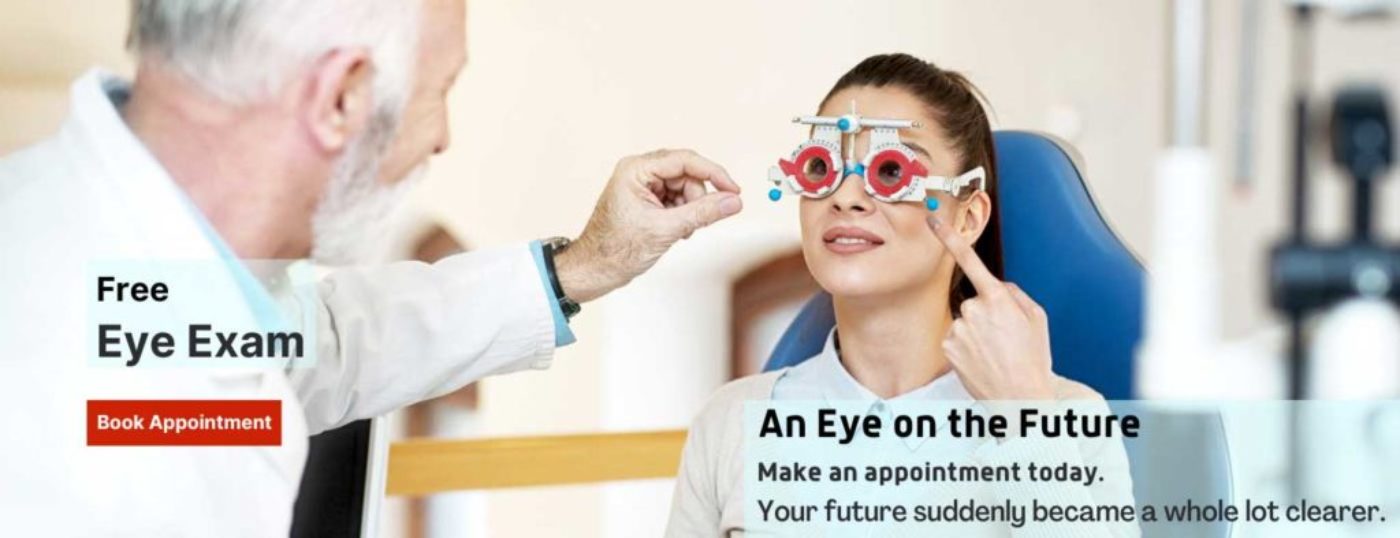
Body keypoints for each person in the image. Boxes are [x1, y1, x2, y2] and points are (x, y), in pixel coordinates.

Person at [0, 0, 742, 535]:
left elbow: (325, 344)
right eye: (439, 91)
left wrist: (582, 265)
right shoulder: (58, 426)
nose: (441, 138)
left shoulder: (129, 267)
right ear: (342, 97)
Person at [665, 53, 1136, 537]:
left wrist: (1026, 422)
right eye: (821, 167)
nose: (845, 198)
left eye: (891, 171)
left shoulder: (1067, 415)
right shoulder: (731, 421)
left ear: (968, 217)